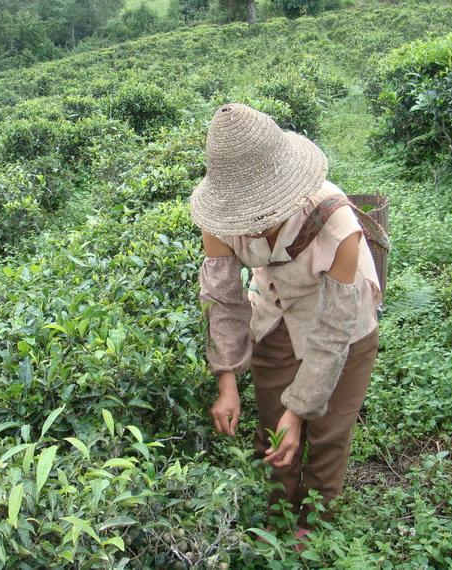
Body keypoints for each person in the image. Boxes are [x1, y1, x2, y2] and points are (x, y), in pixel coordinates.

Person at [189, 103, 382, 539]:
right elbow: (222, 299)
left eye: (263, 212)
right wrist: (227, 381)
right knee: (273, 425)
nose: (253, 225)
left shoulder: (338, 227)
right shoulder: (218, 220)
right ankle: (277, 515)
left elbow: (333, 335)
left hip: (343, 322)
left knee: (328, 430)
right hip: (276, 309)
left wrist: (300, 413)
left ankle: (312, 525)